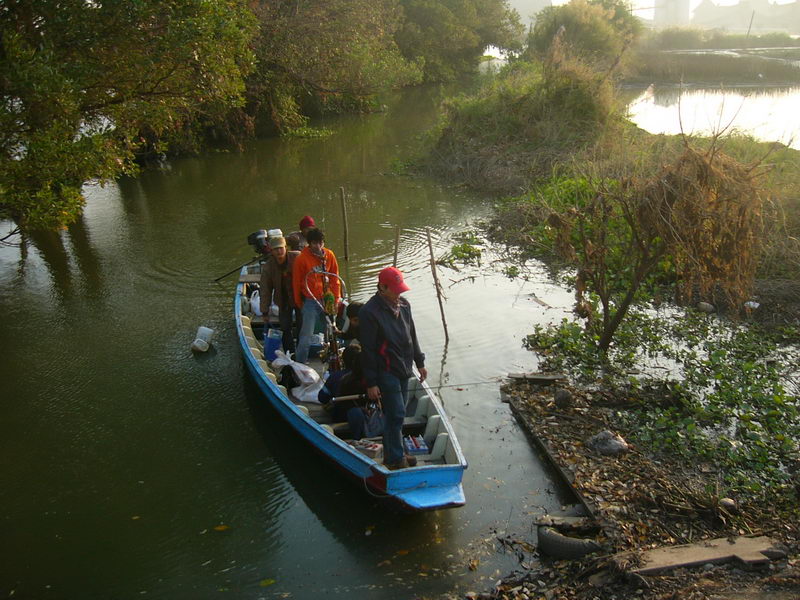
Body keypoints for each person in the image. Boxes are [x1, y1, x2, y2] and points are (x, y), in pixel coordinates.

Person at [359, 267, 427, 470]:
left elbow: (411, 336)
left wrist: (420, 362)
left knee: (398, 413)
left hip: (404, 367)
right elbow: (368, 350)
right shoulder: (369, 312)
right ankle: (395, 459)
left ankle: (394, 451)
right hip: (385, 370)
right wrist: (371, 382)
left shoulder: (404, 306)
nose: (399, 294)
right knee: (396, 413)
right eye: (395, 289)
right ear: (382, 287)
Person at [292, 227, 341, 364]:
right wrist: (299, 302)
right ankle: (300, 364)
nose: (318, 246)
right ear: (309, 243)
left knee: (330, 332)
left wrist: (336, 299)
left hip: (327, 299)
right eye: (314, 243)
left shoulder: (330, 255)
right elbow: (296, 282)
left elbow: (335, 279)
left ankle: (331, 359)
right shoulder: (301, 259)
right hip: (310, 301)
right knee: (306, 336)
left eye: (320, 243)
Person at [318, 345, 372, 439]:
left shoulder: (336, 377)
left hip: (342, 416)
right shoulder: (370, 380)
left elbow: (322, 398)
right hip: (365, 416)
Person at [259, 236, 300, 354]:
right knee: (285, 329)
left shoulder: (297, 257)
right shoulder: (269, 266)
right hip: (283, 300)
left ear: (286, 248)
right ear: (271, 251)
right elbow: (265, 290)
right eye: (275, 249)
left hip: (299, 298)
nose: (279, 251)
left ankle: (302, 354)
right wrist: (264, 311)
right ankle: (290, 354)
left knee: (302, 327)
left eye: (281, 248)